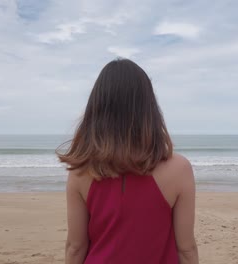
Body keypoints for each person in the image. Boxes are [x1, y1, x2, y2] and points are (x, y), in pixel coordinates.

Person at [57, 58, 199, 264]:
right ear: (149, 109)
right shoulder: (179, 169)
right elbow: (186, 249)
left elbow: (75, 247)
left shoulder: (81, 171)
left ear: (97, 109)